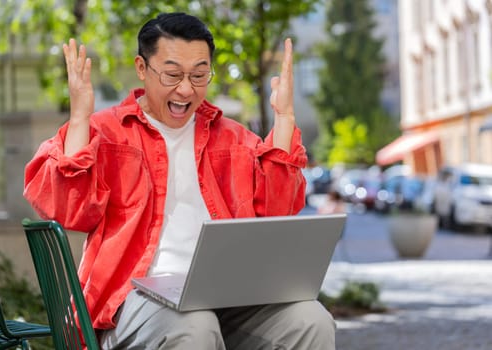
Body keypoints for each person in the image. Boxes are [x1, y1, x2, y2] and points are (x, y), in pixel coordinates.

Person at [24, 12, 335, 349]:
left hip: (228, 295)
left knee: (311, 320)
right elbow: (68, 209)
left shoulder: (232, 138)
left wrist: (285, 118)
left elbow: (279, 210)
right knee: (193, 325)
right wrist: (80, 118)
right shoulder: (106, 133)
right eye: (172, 74)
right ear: (142, 69)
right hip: (135, 300)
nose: (186, 89)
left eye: (199, 75)